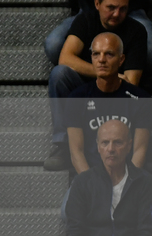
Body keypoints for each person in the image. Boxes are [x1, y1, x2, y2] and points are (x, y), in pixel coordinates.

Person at [43, 0, 147, 171]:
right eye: (111, 8)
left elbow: (131, 82)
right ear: (97, 4)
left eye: (123, 9)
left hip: (115, 91)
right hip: (86, 89)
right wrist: (103, 73)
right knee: (59, 74)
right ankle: (62, 144)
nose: (116, 14)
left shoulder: (136, 30)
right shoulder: (86, 20)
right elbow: (65, 58)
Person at [64, 33, 150, 174]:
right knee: (68, 197)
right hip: (90, 179)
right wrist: (94, 186)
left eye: (109, 54)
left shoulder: (141, 99)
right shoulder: (76, 98)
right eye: (96, 54)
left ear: (121, 59)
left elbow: (140, 152)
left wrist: (125, 187)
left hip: (129, 179)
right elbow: (76, 153)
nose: (101, 60)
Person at [44, 0, 152, 70]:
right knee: (54, 44)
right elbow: (64, 58)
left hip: (131, 10)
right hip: (88, 9)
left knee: (150, 48)